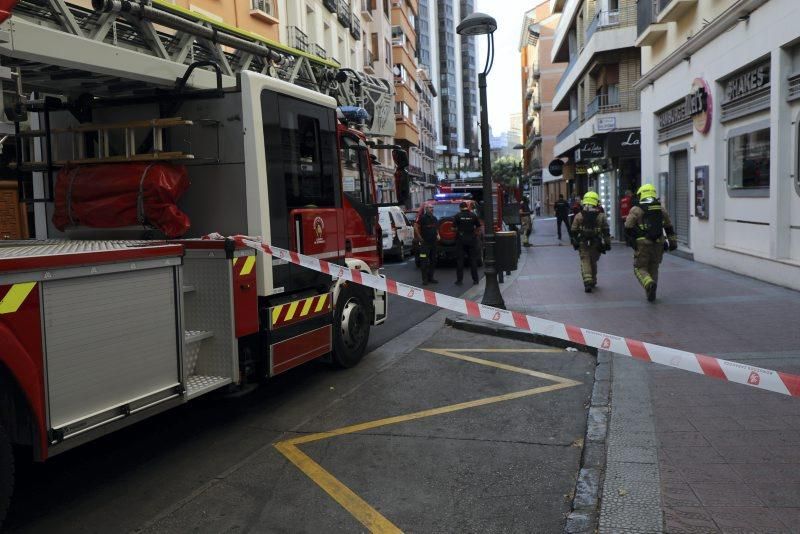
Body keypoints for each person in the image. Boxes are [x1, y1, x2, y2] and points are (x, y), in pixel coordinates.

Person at [624, 183, 678, 302]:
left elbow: (628, 226)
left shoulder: (636, 209)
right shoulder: (660, 208)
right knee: (654, 267)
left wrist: (633, 241)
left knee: (639, 268)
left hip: (643, 244)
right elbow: (669, 226)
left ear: (641, 195)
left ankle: (648, 284)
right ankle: (651, 293)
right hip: (659, 243)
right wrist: (673, 242)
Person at [571, 192, 611, 293]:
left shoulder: (579, 215)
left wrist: (574, 241)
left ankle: (587, 281)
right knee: (593, 261)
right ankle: (593, 280)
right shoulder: (601, 216)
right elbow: (606, 231)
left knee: (585, 261)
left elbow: (573, 230)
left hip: (583, 242)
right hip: (596, 242)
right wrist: (607, 244)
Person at [453, 201, 481, 285]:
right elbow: (478, 226)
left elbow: (453, 228)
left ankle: (459, 280)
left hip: (461, 240)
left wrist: (458, 230)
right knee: (473, 260)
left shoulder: (457, 216)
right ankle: (475, 280)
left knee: (460, 261)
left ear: (460, 208)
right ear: (467, 207)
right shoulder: (473, 215)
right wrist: (474, 234)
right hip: (472, 240)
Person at [414, 204, 440, 285]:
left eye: (432, 207)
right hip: (425, 244)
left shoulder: (434, 218)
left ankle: (431, 278)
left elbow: (436, 228)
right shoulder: (422, 218)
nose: (431, 209)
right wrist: (419, 237)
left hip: (433, 243)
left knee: (433, 261)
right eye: (430, 207)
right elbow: (415, 226)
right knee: (424, 262)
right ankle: (424, 279)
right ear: (426, 209)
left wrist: (438, 235)